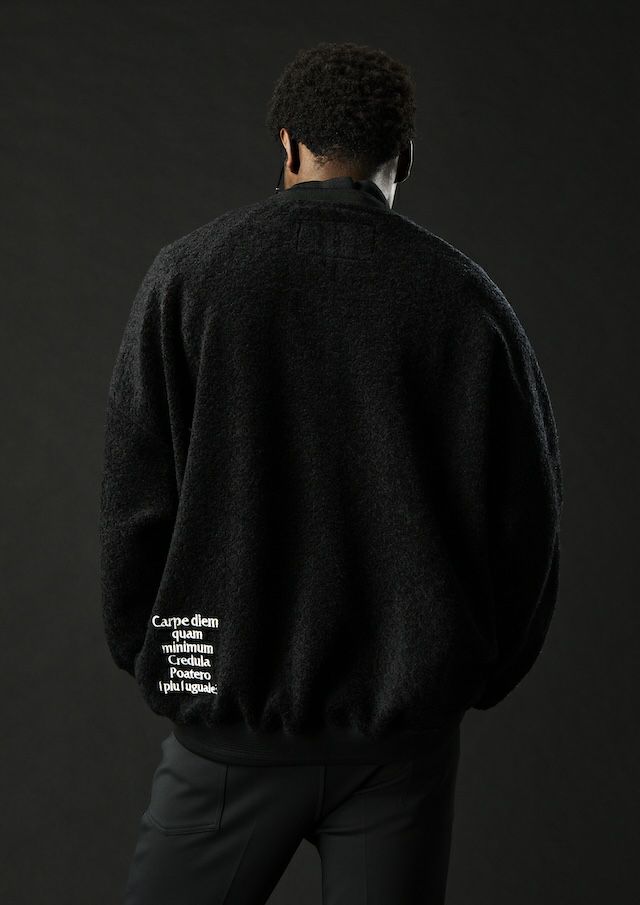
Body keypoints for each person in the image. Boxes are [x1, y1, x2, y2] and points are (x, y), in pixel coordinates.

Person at [99, 40, 564, 905]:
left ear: (287, 145)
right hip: (400, 744)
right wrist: (462, 675)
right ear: (404, 156)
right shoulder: (465, 298)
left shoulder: (189, 277)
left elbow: (135, 502)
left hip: (228, 735)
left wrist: (165, 659)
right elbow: (527, 521)